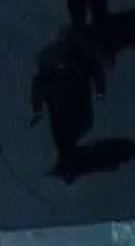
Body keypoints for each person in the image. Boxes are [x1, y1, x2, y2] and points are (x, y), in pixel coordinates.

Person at [30, 25, 106, 181]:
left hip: (70, 100)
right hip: (64, 100)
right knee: (66, 132)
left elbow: (96, 70)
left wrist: (99, 89)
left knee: (69, 130)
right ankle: (69, 163)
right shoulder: (54, 55)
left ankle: (70, 162)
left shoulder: (79, 54)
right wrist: (37, 105)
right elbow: (39, 82)